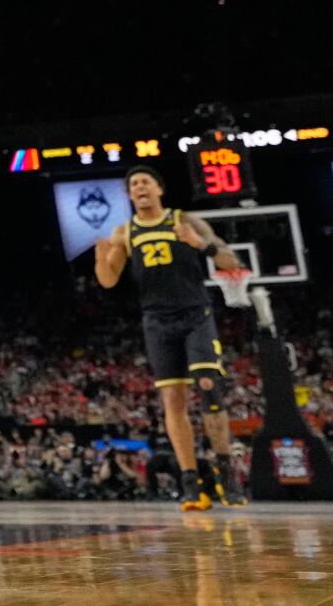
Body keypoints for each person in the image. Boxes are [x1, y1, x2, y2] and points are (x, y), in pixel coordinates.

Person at [94, 164, 247, 509]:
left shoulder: (185, 220)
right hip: (157, 321)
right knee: (173, 401)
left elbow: (230, 261)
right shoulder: (124, 232)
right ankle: (190, 482)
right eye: (133, 184)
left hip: (195, 315)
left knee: (208, 387)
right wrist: (101, 258)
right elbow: (107, 280)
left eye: (145, 181)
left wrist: (200, 245)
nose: (139, 187)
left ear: (159, 189)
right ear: (129, 194)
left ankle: (228, 476)